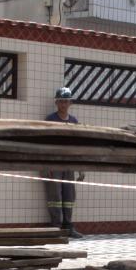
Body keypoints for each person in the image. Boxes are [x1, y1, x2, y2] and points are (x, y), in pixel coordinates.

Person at [42, 87, 82, 238]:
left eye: (66, 101)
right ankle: (56, 227)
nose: (63, 104)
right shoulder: (50, 120)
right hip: (54, 163)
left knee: (69, 196)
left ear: (70, 103)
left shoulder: (73, 121)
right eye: (61, 101)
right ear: (56, 103)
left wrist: (80, 167)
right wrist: (44, 166)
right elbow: (44, 143)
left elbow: (78, 144)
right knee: (55, 197)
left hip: (70, 163)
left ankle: (68, 226)